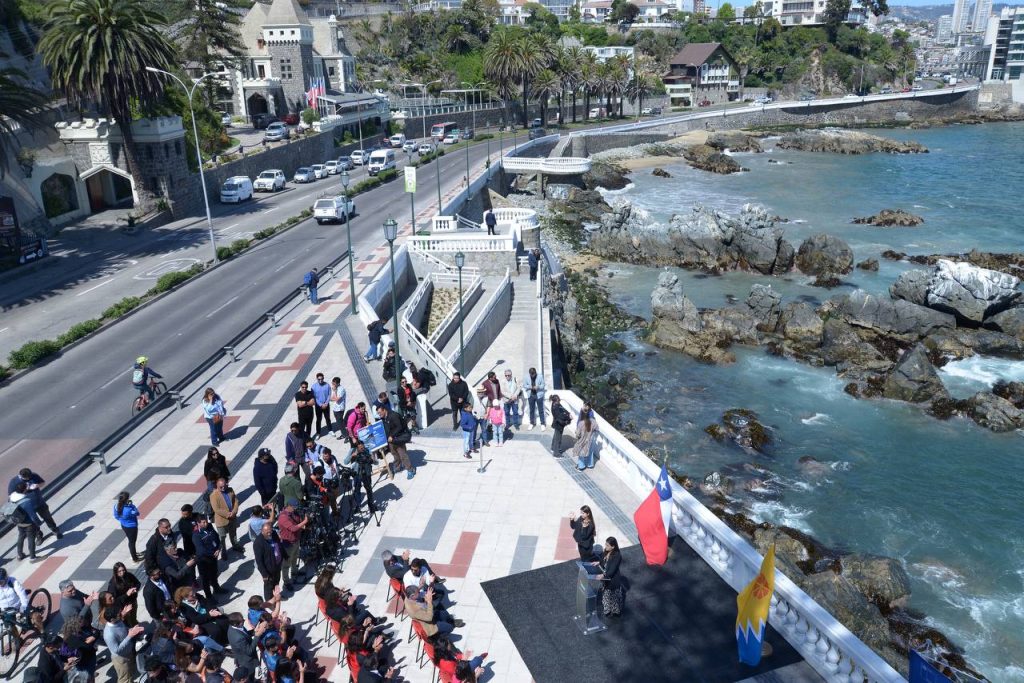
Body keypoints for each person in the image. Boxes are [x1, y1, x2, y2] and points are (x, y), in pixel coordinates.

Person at [7, 468, 62, 538]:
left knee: (47, 517)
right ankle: (39, 535)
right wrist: (26, 489)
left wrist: (37, 485)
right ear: (21, 476)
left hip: (39, 502)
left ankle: (55, 530)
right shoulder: (14, 482)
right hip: (27, 507)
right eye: (27, 478)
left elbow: (43, 482)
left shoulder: (33, 475)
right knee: (33, 523)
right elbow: (11, 496)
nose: (29, 478)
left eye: (30, 477)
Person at [103, 603, 145, 683]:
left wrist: (132, 630)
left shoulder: (117, 621)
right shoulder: (109, 634)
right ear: (112, 619)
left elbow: (123, 628)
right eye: (119, 615)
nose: (121, 615)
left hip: (128, 652)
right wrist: (129, 635)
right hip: (121, 659)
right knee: (125, 679)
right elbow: (117, 650)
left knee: (130, 673)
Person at [276, 500, 309, 590]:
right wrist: (305, 521)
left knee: (295, 558)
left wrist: (302, 520)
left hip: (296, 540)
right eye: (294, 507)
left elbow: (298, 522)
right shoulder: (283, 517)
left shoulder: (294, 513)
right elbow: (293, 528)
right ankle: (286, 582)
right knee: (286, 564)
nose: (296, 508)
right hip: (287, 543)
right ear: (288, 506)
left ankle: (294, 573)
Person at [192, 514, 225, 600]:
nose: (206, 523)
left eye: (206, 521)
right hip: (203, 561)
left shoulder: (209, 526)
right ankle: (209, 597)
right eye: (203, 522)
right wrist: (213, 553)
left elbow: (216, 537)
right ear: (198, 523)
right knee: (205, 579)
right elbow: (201, 550)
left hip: (213, 557)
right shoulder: (196, 535)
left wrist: (218, 548)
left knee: (214, 574)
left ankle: (217, 588)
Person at [378, 404, 414, 479]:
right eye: (378, 413)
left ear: (384, 410)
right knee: (395, 454)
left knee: (403, 455)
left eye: (380, 412)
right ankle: (398, 467)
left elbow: (399, 427)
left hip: (398, 438)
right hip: (391, 441)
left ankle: (410, 470)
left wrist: (392, 435)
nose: (379, 414)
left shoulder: (393, 415)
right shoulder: (383, 418)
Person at [209, 478, 243, 554]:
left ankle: (235, 545)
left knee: (233, 533)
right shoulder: (213, 495)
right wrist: (228, 514)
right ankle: (223, 551)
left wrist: (234, 512)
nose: (223, 488)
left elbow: (235, 501)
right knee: (222, 537)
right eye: (221, 487)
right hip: (221, 520)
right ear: (216, 485)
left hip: (232, 517)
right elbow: (216, 509)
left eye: (224, 486)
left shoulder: (230, 490)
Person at [9, 481, 42, 560]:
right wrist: (38, 522)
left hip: (19, 522)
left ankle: (20, 555)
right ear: (24, 490)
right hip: (28, 523)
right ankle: (33, 557)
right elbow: (32, 515)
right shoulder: (26, 501)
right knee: (31, 539)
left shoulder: (11, 498)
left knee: (20, 537)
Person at [254, 521, 285, 600]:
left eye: (270, 531)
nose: (269, 534)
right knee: (269, 586)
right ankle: (269, 601)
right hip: (268, 570)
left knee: (276, 582)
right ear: (262, 531)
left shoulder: (273, 533)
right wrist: (264, 574)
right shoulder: (258, 542)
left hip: (277, 565)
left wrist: (284, 555)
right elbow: (259, 561)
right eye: (267, 532)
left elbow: (279, 545)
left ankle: (277, 596)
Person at [344, 440, 377, 514]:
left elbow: (376, 462)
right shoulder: (352, 450)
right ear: (357, 448)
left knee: (369, 490)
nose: (362, 449)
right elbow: (345, 462)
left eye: (363, 447)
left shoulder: (368, 450)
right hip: (357, 474)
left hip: (366, 473)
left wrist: (373, 459)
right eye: (360, 448)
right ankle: (358, 506)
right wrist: (352, 456)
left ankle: (371, 505)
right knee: (357, 490)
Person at [594, 536, 624, 617]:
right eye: (605, 544)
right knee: (606, 595)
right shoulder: (606, 552)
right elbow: (602, 560)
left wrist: (603, 575)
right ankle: (607, 610)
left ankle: (615, 611)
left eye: (607, 545)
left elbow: (612, 569)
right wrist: (598, 563)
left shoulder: (617, 556)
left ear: (613, 546)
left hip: (613, 579)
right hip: (606, 579)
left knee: (614, 596)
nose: (605, 546)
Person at [113, 491, 141, 562]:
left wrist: (122, 520)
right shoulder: (129, 509)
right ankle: (134, 558)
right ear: (126, 499)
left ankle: (133, 553)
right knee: (132, 542)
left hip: (124, 525)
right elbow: (137, 513)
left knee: (130, 541)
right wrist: (132, 505)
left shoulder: (116, 506)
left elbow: (116, 516)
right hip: (132, 527)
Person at [310, 372, 333, 437]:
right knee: (318, 419)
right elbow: (314, 397)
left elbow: (329, 394)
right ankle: (318, 433)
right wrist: (320, 404)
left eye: (322, 379)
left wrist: (326, 403)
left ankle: (330, 430)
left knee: (327, 418)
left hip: (326, 405)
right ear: (317, 379)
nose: (320, 380)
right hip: (318, 406)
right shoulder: (313, 387)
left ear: (323, 378)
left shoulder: (327, 385)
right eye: (319, 379)